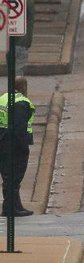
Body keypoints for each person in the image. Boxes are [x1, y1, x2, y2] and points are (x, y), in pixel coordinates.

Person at [0, 76, 35, 217]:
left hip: (3, 140)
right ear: (24, 87)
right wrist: (23, 146)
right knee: (14, 177)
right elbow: (20, 128)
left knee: (8, 176)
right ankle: (11, 208)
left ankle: (14, 205)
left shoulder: (3, 98)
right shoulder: (21, 103)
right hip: (14, 145)